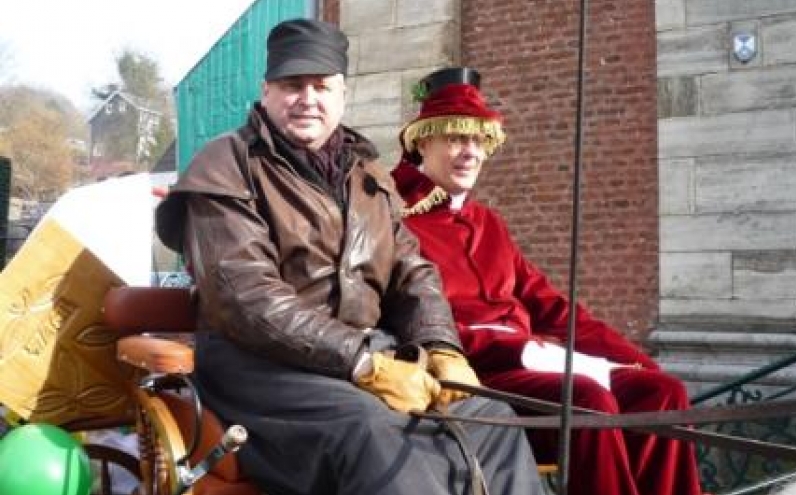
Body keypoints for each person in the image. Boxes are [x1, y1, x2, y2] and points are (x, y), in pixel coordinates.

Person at [154, 19, 543, 495]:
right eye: (292, 85)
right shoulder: (226, 165)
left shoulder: (369, 174)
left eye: (321, 86)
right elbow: (246, 297)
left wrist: (442, 348)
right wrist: (363, 364)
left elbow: (412, 272)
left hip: (363, 357)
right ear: (266, 91)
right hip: (261, 367)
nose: (307, 99)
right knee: (377, 434)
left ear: (342, 95)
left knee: (490, 419)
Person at [391, 67, 704, 495]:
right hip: (473, 376)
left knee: (662, 392)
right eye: (456, 139)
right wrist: (518, 348)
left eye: (479, 141)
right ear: (422, 142)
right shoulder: (397, 222)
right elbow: (413, 320)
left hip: (535, 363)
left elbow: (551, 308)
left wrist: (633, 359)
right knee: (586, 399)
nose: (470, 153)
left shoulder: (489, 223)